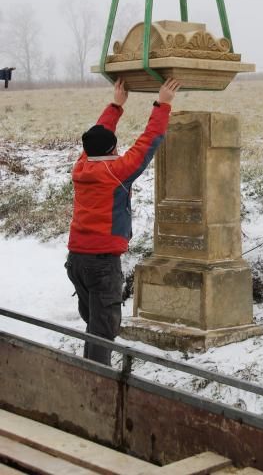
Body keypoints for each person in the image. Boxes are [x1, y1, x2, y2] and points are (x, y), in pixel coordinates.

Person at [65, 77, 180, 365]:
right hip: (102, 262)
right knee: (104, 330)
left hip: (76, 260)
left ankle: (91, 370)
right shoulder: (117, 172)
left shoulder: (81, 167)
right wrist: (162, 103)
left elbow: (98, 135)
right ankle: (96, 384)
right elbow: (148, 142)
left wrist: (117, 104)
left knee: (95, 324)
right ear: (113, 150)